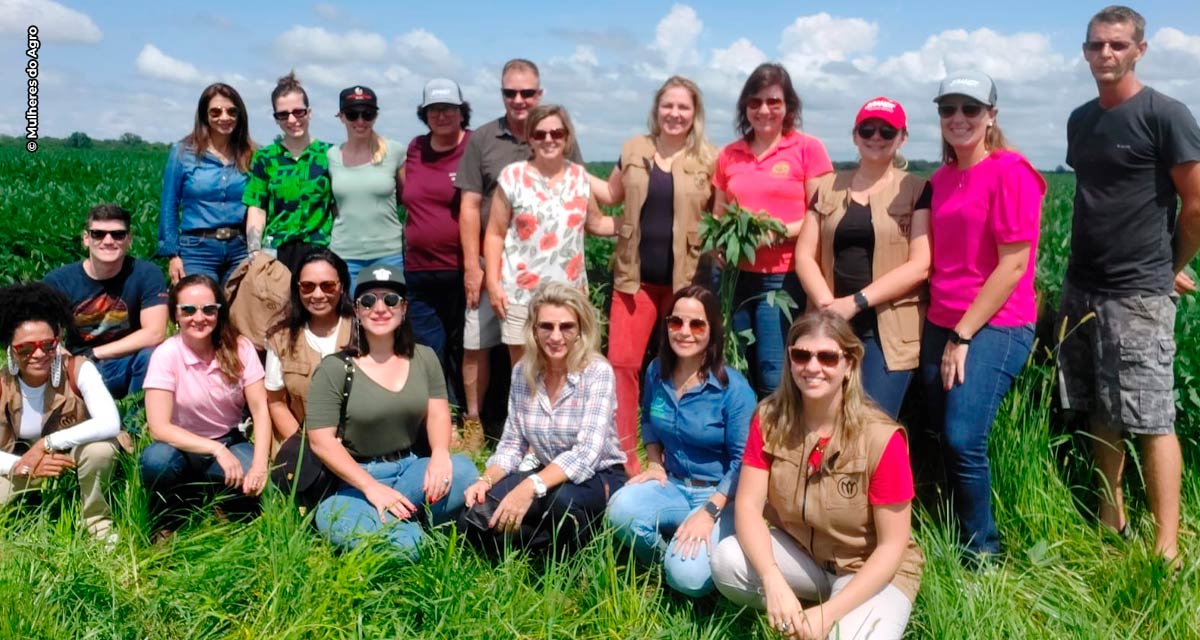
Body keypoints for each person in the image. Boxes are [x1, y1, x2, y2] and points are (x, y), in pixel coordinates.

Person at [1058, 5, 1200, 566]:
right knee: (1099, 407)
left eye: (1117, 45)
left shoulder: (1166, 114)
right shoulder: (1080, 120)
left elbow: (1195, 204)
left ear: (1140, 50)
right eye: (1096, 46)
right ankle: (1109, 519)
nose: (1105, 55)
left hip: (1138, 293)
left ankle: (1167, 546)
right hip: (1082, 284)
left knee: (1152, 417)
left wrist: (1168, 266)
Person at [711, 311, 923, 639]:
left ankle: (836, 610)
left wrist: (828, 615)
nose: (812, 367)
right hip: (805, 556)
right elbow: (749, 508)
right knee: (726, 561)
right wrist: (772, 579)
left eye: (827, 357)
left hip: (867, 568)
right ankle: (803, 602)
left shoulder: (882, 439)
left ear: (849, 364)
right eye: (801, 355)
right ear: (790, 360)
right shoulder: (768, 419)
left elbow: (892, 547)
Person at [920, 70, 1045, 561]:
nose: (959, 118)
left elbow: (1013, 264)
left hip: (996, 323)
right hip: (940, 319)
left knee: (962, 436)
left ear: (991, 116)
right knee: (938, 433)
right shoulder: (940, 180)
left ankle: (982, 553)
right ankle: (947, 526)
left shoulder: (1012, 171)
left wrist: (964, 335)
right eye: (948, 109)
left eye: (971, 109)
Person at [591, 75, 718, 475]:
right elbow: (611, 197)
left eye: (683, 107)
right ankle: (626, 456)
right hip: (635, 278)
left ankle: (685, 455)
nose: (675, 114)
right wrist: (567, 173)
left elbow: (720, 217)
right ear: (656, 109)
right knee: (623, 366)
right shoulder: (633, 149)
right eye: (668, 106)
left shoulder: (709, 160)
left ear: (694, 113)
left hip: (688, 284)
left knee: (686, 367)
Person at [306, 262, 477, 555]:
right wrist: (372, 487)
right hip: (355, 481)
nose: (380, 308)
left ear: (404, 308)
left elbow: (437, 413)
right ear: (357, 310)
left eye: (391, 299)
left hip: (411, 469)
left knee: (462, 471)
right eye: (369, 301)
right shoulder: (335, 368)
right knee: (402, 547)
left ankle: (404, 521)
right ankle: (413, 535)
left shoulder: (423, 357)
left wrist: (439, 455)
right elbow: (321, 442)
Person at [454, 59, 584, 443]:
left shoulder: (559, 134)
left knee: (549, 349)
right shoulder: (482, 138)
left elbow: (580, 194)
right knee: (477, 344)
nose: (519, 99)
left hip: (545, 270)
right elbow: (468, 206)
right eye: (510, 92)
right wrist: (473, 268)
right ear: (501, 94)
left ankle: (550, 426)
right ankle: (476, 423)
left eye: (527, 92)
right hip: (491, 262)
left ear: (539, 93)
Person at [605, 285, 754, 596]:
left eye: (697, 324)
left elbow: (744, 463)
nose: (685, 332)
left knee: (688, 579)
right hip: (671, 484)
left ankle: (685, 562)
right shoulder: (656, 371)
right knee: (620, 510)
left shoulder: (734, 390)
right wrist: (655, 463)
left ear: (712, 331)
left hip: (718, 495)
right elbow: (648, 419)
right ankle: (663, 564)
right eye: (676, 322)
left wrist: (709, 512)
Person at [460, 282, 626, 553]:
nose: (556, 336)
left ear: (580, 330)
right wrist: (486, 480)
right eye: (546, 326)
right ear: (534, 331)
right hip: (544, 472)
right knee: (475, 517)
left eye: (567, 327)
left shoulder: (597, 372)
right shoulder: (522, 373)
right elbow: (512, 445)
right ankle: (539, 541)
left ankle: (577, 548)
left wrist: (529, 486)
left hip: (597, 475)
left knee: (562, 502)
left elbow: (586, 454)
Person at [794, 97, 931, 419]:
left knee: (871, 421)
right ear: (855, 135)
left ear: (903, 138)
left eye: (887, 131)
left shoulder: (916, 188)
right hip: (829, 323)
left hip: (889, 328)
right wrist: (828, 306)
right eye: (867, 129)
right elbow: (804, 254)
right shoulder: (827, 186)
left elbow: (920, 264)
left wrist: (855, 302)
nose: (876, 137)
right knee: (824, 417)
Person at [712, 62, 834, 397]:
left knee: (771, 368)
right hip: (736, 276)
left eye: (774, 102)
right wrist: (719, 244)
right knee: (737, 362)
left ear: (788, 107)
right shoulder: (729, 155)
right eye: (755, 102)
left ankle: (776, 441)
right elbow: (719, 213)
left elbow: (821, 214)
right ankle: (745, 436)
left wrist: (777, 233)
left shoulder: (808, 149)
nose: (764, 110)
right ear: (745, 108)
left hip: (782, 276)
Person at [139, 275, 273, 532]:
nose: (198, 317)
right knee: (156, 461)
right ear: (175, 315)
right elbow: (159, 428)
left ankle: (220, 506)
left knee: (253, 481)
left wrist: (259, 465)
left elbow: (260, 411)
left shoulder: (241, 348)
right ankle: (167, 520)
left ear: (219, 312)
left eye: (208, 309)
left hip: (229, 439)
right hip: (179, 447)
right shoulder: (166, 354)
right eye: (188, 310)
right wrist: (216, 450)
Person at [482, 104, 612, 366]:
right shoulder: (512, 177)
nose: (549, 140)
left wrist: (639, 220)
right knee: (523, 371)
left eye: (557, 133)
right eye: (540, 134)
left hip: (569, 294)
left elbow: (597, 223)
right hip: (520, 295)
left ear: (567, 137)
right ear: (529, 138)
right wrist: (494, 285)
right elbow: (494, 234)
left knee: (568, 367)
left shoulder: (580, 177)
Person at [0, 283, 123, 543]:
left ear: (58, 340)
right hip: (25, 467)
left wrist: (47, 444)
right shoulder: (2, 384)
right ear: (10, 348)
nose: (38, 354)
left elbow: (110, 423)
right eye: (25, 348)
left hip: (75, 460)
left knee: (101, 449)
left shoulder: (78, 369)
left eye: (48, 345)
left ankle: (97, 524)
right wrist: (25, 465)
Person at [400, 78, 473, 448]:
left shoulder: (474, 147)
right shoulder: (414, 149)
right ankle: (444, 419)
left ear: (462, 111)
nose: (442, 115)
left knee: (467, 346)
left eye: (449, 108)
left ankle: (472, 418)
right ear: (424, 113)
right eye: (434, 109)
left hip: (465, 268)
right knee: (430, 348)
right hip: (419, 269)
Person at [44, 204, 168, 399]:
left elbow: (155, 333)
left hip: (127, 364)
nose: (108, 241)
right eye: (98, 234)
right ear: (86, 239)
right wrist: (72, 363)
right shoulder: (59, 281)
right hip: (77, 369)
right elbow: (41, 335)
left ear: (129, 239)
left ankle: (134, 426)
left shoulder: (147, 274)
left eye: (117, 234)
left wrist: (94, 353)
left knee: (154, 356)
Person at [158, 83, 255, 285]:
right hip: (196, 250)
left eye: (231, 111)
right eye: (216, 112)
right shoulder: (183, 152)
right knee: (201, 310)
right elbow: (169, 204)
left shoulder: (251, 154)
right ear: (205, 115)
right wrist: (173, 255)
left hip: (240, 248)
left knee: (239, 314)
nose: (224, 117)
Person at [243, 71, 335, 275]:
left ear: (309, 112)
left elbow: (337, 206)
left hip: (319, 250)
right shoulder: (265, 158)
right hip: (276, 250)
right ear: (276, 118)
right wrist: (254, 253)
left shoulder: (329, 154)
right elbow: (257, 208)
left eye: (298, 112)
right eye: (283, 115)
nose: (292, 120)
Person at [264, 249, 354, 443]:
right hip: (302, 447)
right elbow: (276, 402)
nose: (318, 294)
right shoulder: (280, 338)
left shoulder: (361, 332)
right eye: (308, 286)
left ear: (342, 287)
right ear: (297, 288)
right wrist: (306, 448)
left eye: (328, 286)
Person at [328, 85, 406, 287]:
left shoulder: (395, 151)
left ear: (375, 116)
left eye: (367, 114)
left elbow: (409, 200)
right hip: (344, 254)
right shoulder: (331, 156)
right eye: (353, 115)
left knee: (388, 314)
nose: (360, 121)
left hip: (388, 254)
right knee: (350, 316)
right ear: (341, 117)